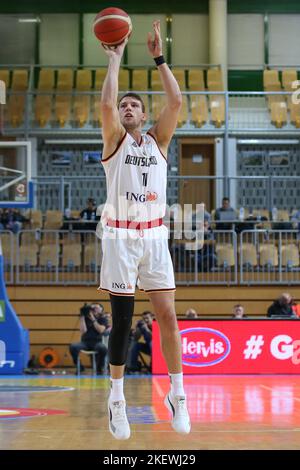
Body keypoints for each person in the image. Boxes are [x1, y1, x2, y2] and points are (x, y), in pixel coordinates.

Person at [99, 20, 191, 440]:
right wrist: (115, 60)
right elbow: (105, 107)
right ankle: (116, 399)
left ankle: (178, 393)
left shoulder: (158, 142)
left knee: (168, 315)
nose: (127, 109)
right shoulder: (115, 142)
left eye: (134, 106)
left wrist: (159, 58)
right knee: (122, 320)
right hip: (119, 236)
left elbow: (176, 101)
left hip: (154, 235)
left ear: (143, 113)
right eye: (124, 107)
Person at [69, 303, 109, 374]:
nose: (94, 309)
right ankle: (80, 367)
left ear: (101, 310)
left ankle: (99, 367)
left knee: (102, 348)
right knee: (73, 346)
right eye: (93, 307)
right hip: (85, 343)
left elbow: (101, 330)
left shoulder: (103, 319)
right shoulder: (86, 318)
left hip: (97, 342)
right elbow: (83, 331)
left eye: (97, 308)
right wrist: (82, 317)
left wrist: (93, 319)